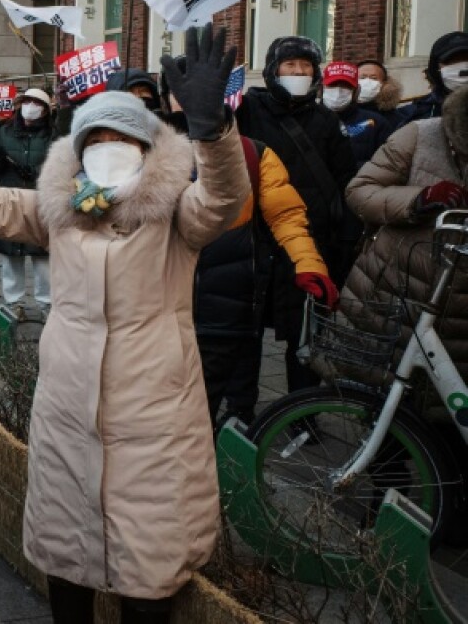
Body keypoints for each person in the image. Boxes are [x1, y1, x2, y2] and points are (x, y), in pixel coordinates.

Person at [0, 25, 250, 624]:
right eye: (95, 140)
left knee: (148, 572)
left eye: (123, 140)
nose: (109, 149)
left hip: (154, 418)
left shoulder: (175, 216)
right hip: (67, 413)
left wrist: (214, 134)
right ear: (76, 151)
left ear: (149, 148)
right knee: (66, 557)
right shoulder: (62, 211)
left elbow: (224, 199)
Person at [162, 81, 333, 425]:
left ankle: (221, 464)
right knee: (166, 403)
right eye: (181, 92)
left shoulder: (254, 153)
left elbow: (286, 215)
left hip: (231, 306)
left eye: (201, 89)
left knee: (226, 404)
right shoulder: (147, 151)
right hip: (161, 305)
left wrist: (308, 263)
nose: (191, 100)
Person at [235, 35, 359, 393]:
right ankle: (241, 408)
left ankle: (303, 410)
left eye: (305, 66)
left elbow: (345, 177)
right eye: (290, 65)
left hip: (309, 242)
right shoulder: (247, 110)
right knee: (247, 330)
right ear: (274, 70)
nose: (298, 72)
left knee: (305, 330)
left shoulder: (324, 119)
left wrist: (346, 234)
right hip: (254, 237)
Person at [342, 86, 468, 383]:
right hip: (396, 295)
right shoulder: (421, 135)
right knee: (381, 398)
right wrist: (418, 200)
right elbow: (360, 191)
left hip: (460, 319)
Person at [0, 87, 55, 317]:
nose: (30, 107)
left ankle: (47, 304)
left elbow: (60, 164)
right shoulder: (4, 132)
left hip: (40, 203)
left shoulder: (53, 134)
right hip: (11, 201)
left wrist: (37, 172)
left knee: (43, 260)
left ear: (45, 109)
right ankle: (14, 303)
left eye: (36, 102)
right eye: (27, 101)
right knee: (10, 258)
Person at [320, 62, 393, 170]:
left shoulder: (376, 123)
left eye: (345, 86)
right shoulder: (309, 119)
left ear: (356, 91)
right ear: (322, 88)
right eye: (333, 85)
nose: (338, 91)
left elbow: (386, 164)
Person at [394, 31, 468, 126]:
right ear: (436, 69)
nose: (463, 66)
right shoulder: (415, 114)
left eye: (466, 59)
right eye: (452, 61)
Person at [356, 59, 404, 128]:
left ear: (384, 84)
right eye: (362, 77)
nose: (367, 82)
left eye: (373, 78)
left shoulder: (393, 118)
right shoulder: (343, 112)